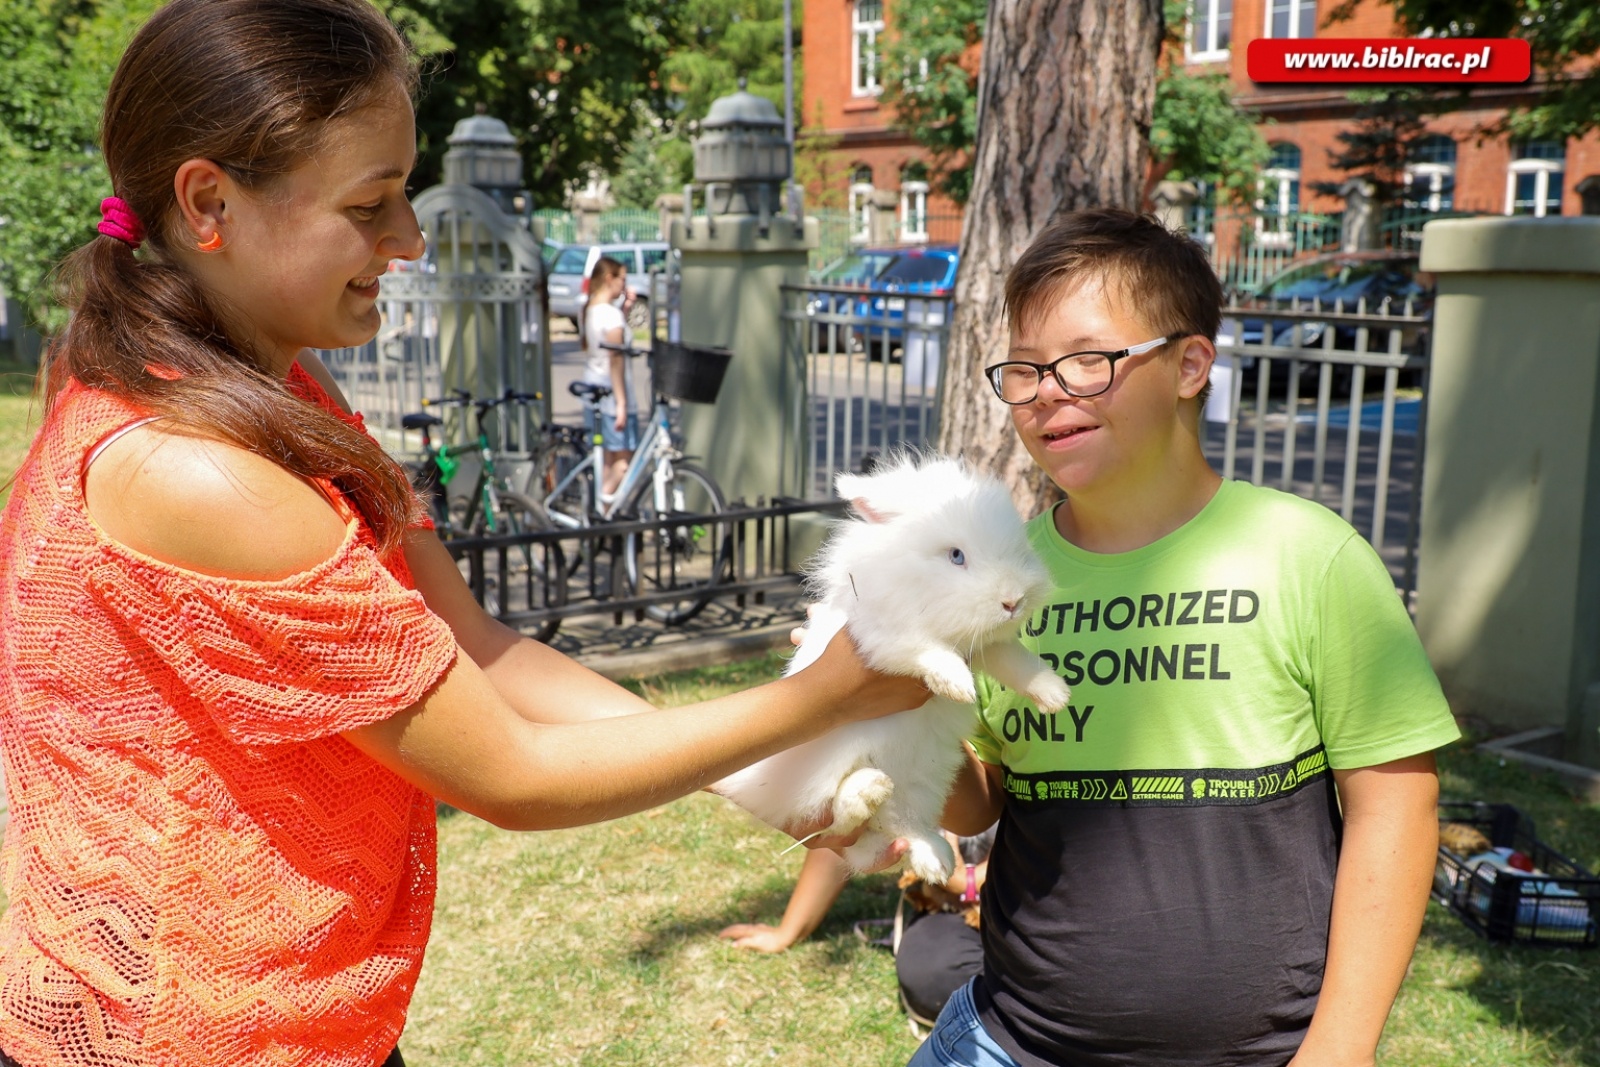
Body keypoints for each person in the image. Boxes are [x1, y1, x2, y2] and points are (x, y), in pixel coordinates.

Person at [0, 4, 927, 1066]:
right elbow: (512, 772)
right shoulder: (198, 469)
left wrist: (779, 786)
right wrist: (828, 693)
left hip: (295, 1023)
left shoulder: (264, 388)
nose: (407, 237)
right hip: (184, 1036)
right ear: (209, 201)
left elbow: (477, 647)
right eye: (369, 202)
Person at [915, 209, 1461, 1067]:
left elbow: (1396, 802)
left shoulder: (1310, 558)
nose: (1048, 391)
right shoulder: (996, 582)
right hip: (1006, 1044)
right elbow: (979, 799)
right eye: (1025, 369)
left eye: (1087, 360)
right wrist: (901, 713)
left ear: (1190, 363)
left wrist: (1341, 1049)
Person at [720, 829, 991, 1028]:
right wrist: (789, 930)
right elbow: (847, 831)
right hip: (951, 905)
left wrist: (965, 881)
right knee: (934, 979)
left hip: (1025, 900)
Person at [580, 254, 638, 498]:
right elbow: (616, 359)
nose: (625, 285)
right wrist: (622, 402)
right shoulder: (610, 316)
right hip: (611, 394)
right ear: (608, 278)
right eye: (622, 279)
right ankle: (601, 504)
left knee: (605, 460)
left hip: (592, 387)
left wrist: (624, 310)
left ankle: (598, 510)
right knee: (624, 462)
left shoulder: (588, 307)